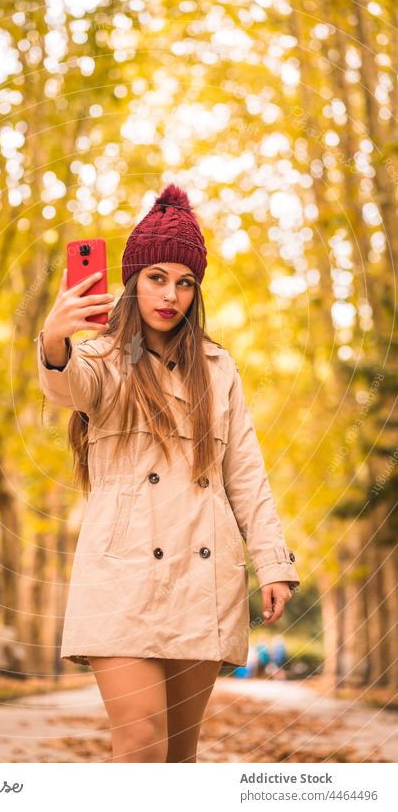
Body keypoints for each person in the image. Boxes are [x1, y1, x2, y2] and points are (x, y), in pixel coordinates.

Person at [35, 183, 300, 763]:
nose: (170, 294)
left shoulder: (218, 367)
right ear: (132, 282)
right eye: (156, 277)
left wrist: (273, 563)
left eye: (185, 282)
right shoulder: (103, 359)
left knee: (179, 754)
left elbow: (246, 474)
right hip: (121, 576)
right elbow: (65, 383)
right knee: (138, 741)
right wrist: (55, 337)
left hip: (202, 575)